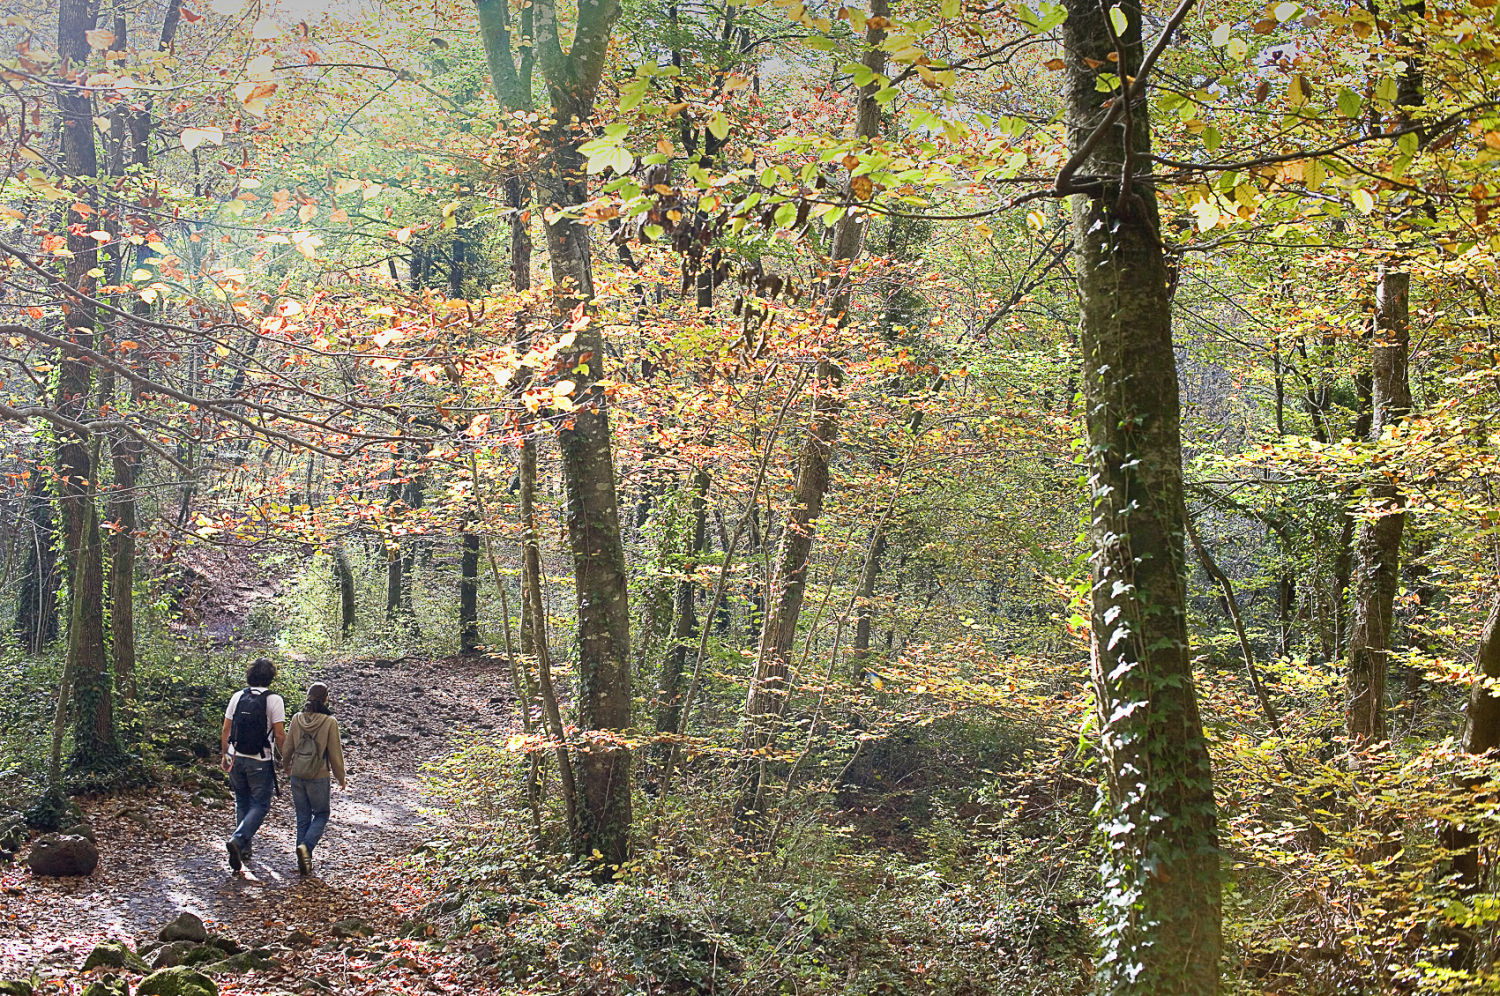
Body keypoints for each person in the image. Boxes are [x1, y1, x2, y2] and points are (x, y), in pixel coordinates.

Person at [221, 657, 286, 872]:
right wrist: (286, 757)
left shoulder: (238, 696)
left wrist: (225, 755)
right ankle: (239, 840)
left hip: (237, 757)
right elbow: (279, 733)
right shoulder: (274, 700)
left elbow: (226, 730)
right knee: (261, 804)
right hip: (260, 760)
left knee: (242, 800)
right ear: (270, 677)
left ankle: (244, 849)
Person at [282, 681, 346, 875]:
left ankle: (303, 859)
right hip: (318, 775)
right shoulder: (329, 722)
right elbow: (335, 753)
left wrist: (287, 767)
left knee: (302, 816)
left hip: (298, 774)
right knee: (321, 814)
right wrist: (340, 777)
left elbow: (288, 747)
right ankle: (306, 848)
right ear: (326, 699)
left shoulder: (296, 718)